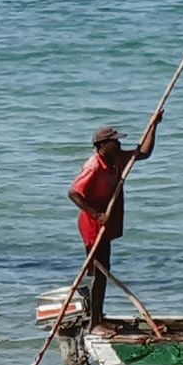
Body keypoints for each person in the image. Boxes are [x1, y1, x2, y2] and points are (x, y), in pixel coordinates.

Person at [68, 112, 162, 323]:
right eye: (115, 142)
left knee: (104, 270)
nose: (119, 145)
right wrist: (96, 214)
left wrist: (154, 125)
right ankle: (94, 320)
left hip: (106, 222)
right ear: (102, 146)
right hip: (93, 225)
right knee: (99, 273)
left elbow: (143, 153)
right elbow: (73, 193)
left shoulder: (116, 159)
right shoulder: (93, 166)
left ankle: (97, 316)